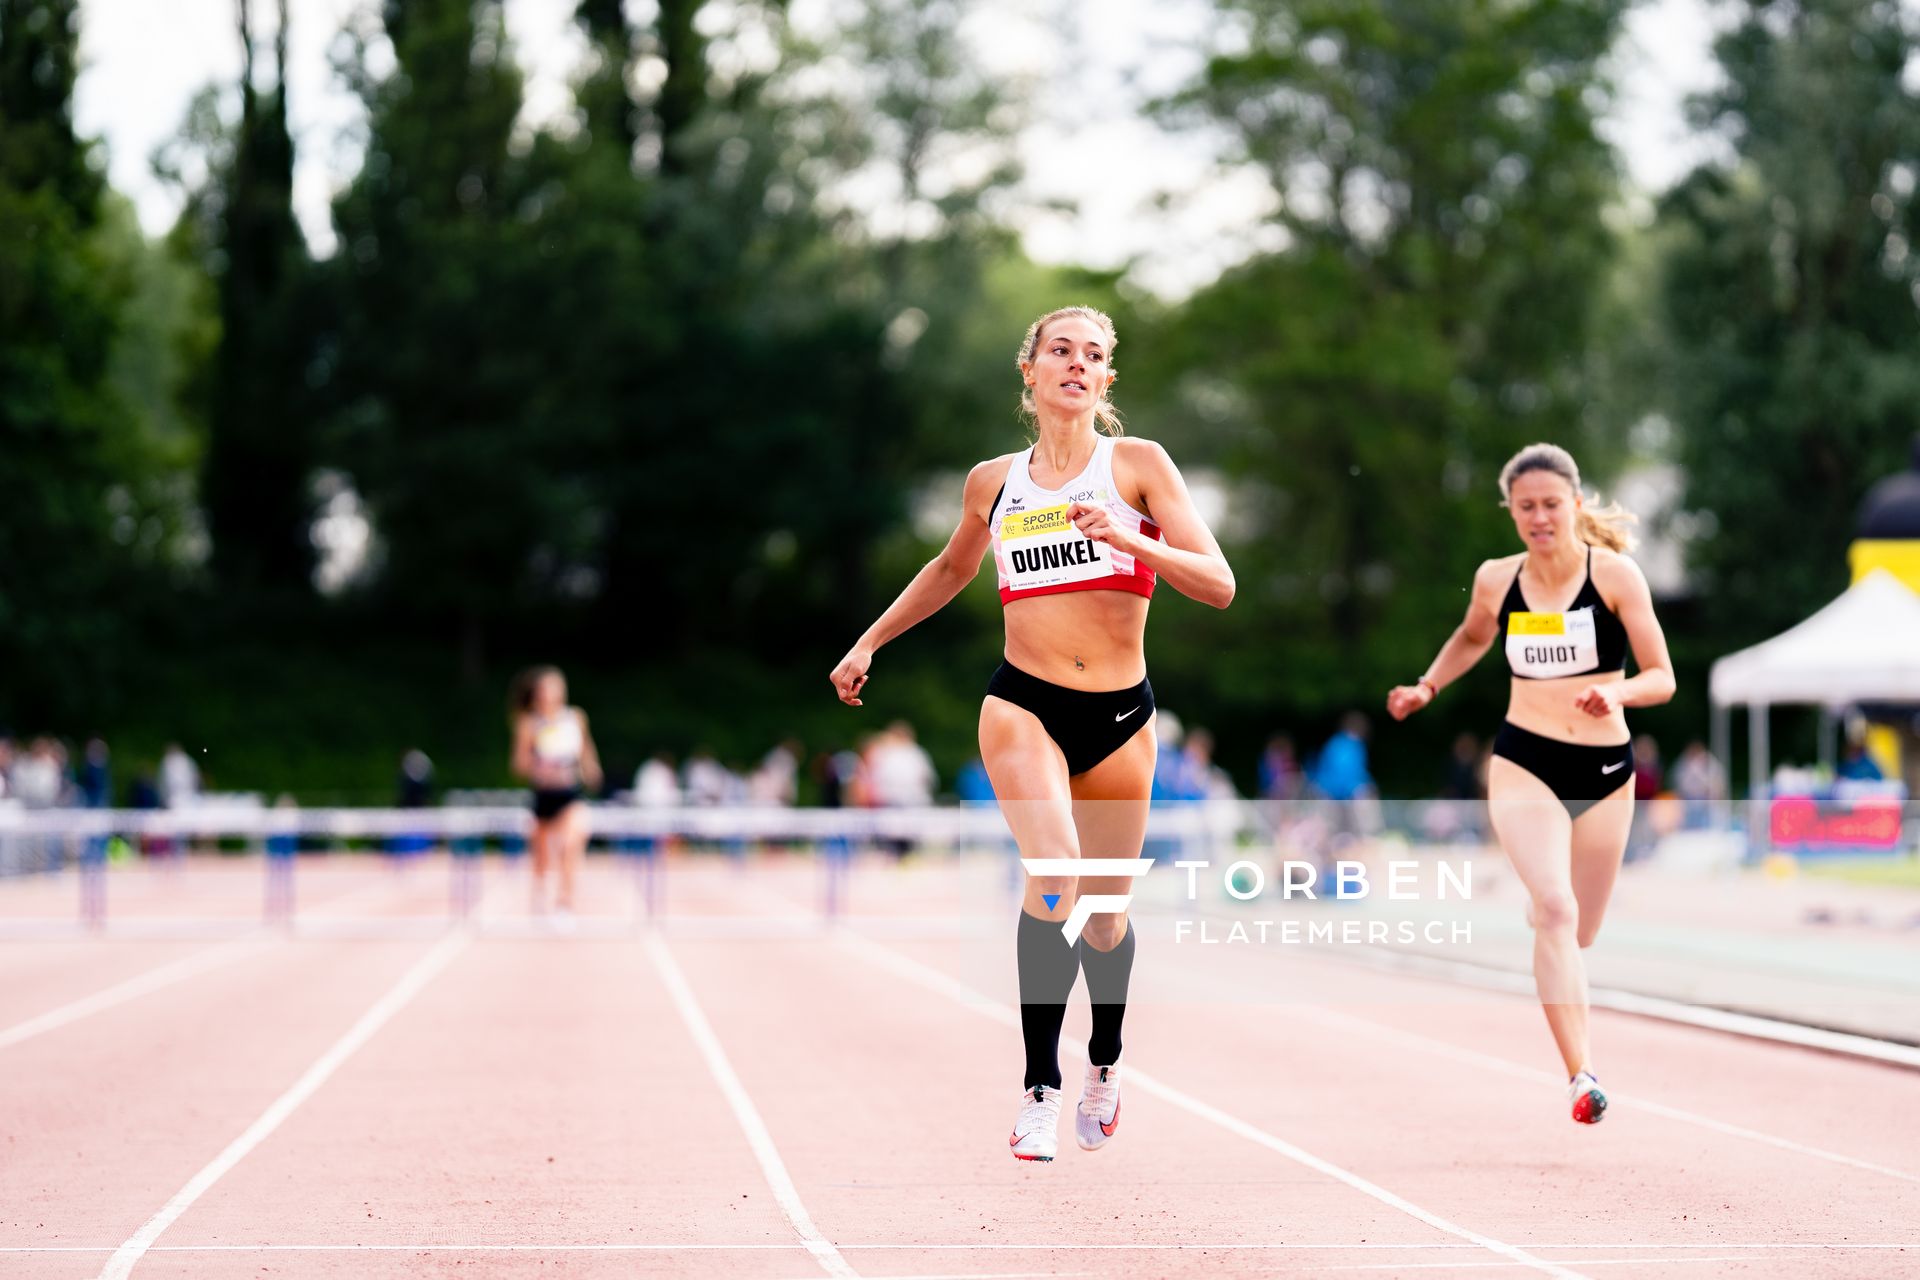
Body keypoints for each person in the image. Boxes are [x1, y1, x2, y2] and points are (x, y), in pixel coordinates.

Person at [831, 305, 1234, 1161]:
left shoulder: (1139, 466)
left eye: (1094, 356)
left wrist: (1132, 538)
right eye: (1062, 351)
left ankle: (1105, 1063)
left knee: (1105, 918)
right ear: (1031, 369)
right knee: (1054, 880)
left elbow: (1219, 582)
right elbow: (948, 570)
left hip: (1123, 718)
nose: (1077, 365)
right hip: (1023, 705)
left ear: (1108, 379)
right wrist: (869, 641)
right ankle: (1039, 1089)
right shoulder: (993, 482)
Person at [1387, 442, 1674, 1126]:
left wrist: (1620, 696)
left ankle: (1550, 918)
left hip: (1604, 771)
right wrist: (1428, 685)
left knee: (1582, 929)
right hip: (1524, 760)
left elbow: (1662, 676)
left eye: (1551, 505)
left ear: (1574, 504)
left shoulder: (1616, 577)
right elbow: (1472, 637)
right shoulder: (1497, 579)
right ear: (1511, 512)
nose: (1539, 518)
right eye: (1526, 508)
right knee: (1556, 909)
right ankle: (1582, 1075)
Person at [509, 666, 603, 923]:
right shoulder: (529, 723)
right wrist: (540, 755)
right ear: (538, 693)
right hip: (543, 795)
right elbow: (518, 766)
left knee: (570, 845)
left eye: (556, 687)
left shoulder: (575, 717)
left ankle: (565, 903)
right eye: (546, 688)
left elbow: (586, 750)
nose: (551, 693)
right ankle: (539, 896)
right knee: (541, 857)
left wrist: (592, 770)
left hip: (570, 793)